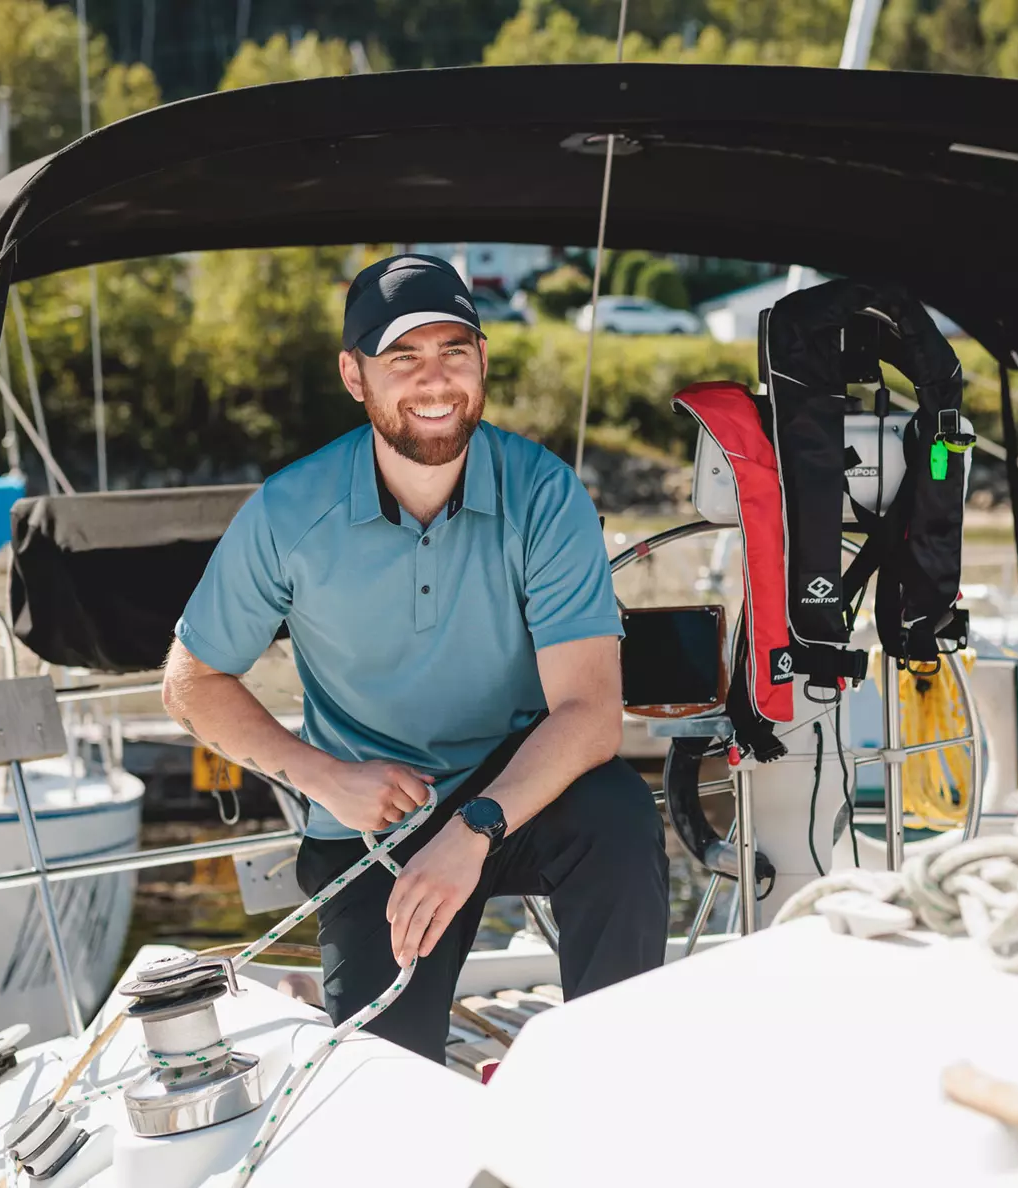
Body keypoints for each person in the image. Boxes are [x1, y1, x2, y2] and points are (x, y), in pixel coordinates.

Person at [162, 253, 669, 1062]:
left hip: (519, 796)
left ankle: (614, 1084)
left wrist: (471, 830)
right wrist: (326, 778)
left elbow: (589, 715)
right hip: (372, 818)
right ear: (354, 375)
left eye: (454, 352)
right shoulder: (291, 510)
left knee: (617, 813)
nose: (435, 382)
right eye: (403, 358)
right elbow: (192, 682)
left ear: (483, 363)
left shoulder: (545, 494)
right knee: (384, 1076)